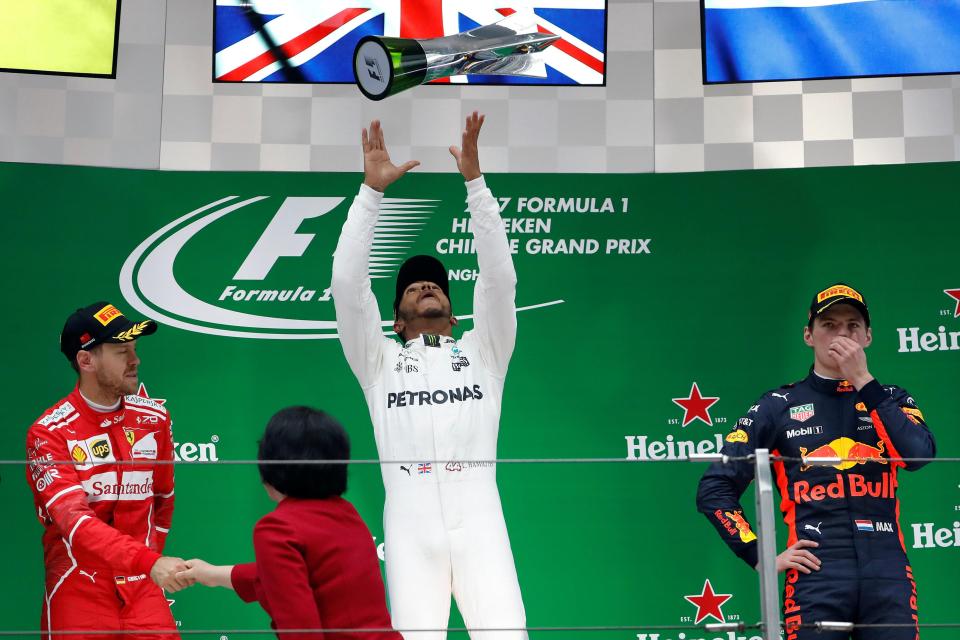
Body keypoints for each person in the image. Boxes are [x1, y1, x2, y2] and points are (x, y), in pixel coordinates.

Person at [330, 112, 526, 640]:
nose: (425, 286)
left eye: (434, 283)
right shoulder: (379, 363)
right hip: (409, 527)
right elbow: (347, 286)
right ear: (395, 320)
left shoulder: (484, 351)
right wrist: (370, 193)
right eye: (412, 287)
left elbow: (500, 280)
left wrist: (476, 186)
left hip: (481, 521)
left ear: (455, 313)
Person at [696, 283, 936, 640]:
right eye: (829, 324)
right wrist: (759, 555)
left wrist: (862, 381)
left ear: (868, 337)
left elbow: (918, 455)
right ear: (809, 335)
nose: (842, 334)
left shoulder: (891, 399)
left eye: (853, 325)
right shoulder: (777, 405)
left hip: (887, 573)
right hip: (817, 574)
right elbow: (715, 488)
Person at [26, 302, 187, 640]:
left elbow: (163, 498)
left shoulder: (154, 419)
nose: (135, 360)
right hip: (79, 584)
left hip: (142, 587)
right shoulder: (49, 433)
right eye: (121, 351)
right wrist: (148, 561)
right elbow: (77, 523)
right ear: (86, 361)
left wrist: (145, 562)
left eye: (134, 349)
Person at [178, 406, 401, 640]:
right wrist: (212, 574)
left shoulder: (276, 528)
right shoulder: (346, 513)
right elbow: (296, 576)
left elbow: (300, 631)